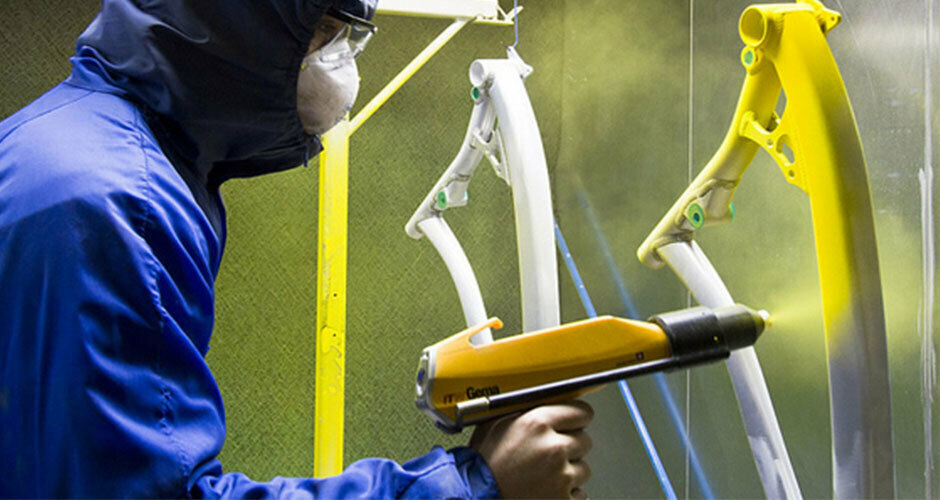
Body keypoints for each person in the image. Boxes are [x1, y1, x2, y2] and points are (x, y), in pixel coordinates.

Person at [0, 0, 593, 498]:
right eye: (325, 32)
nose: (342, 61)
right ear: (234, 25)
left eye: (349, 38)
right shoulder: (124, 200)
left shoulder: (70, 145)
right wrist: (472, 484)